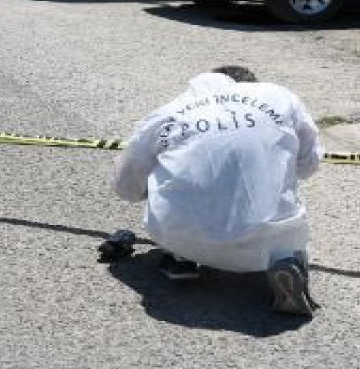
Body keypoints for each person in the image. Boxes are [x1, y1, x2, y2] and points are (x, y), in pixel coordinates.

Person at [108, 66, 323, 316]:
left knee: (173, 185)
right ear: (250, 85)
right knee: (280, 217)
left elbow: (126, 185)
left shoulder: (166, 114)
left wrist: (148, 188)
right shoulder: (279, 97)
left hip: (179, 234)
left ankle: (180, 257)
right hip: (269, 243)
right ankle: (285, 262)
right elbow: (310, 163)